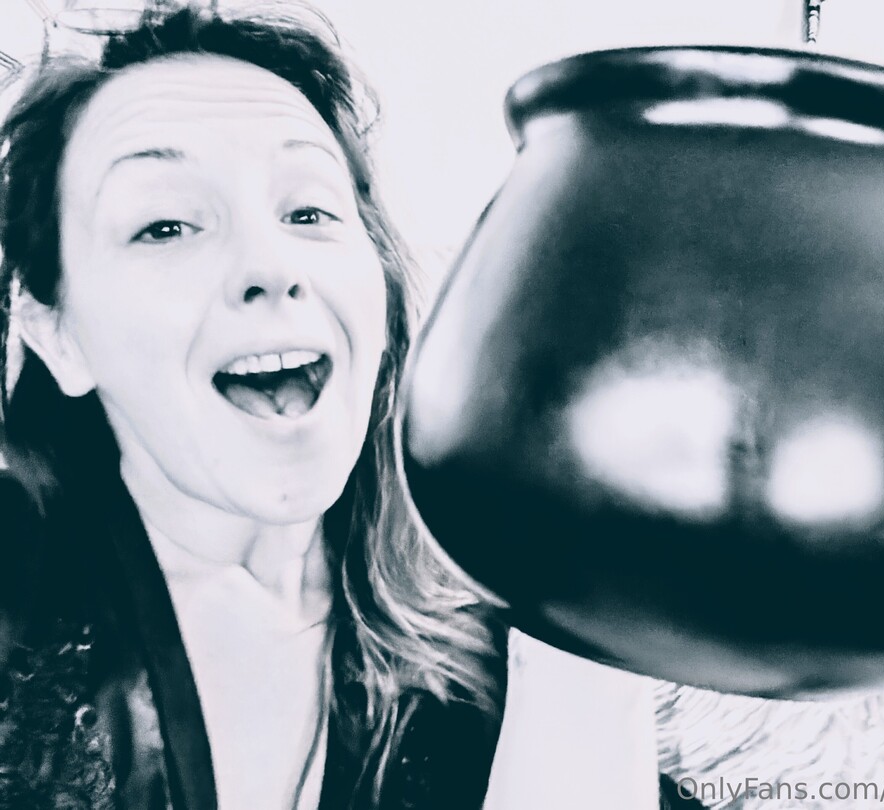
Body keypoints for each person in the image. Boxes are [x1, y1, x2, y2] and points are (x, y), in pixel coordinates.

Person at [0, 3, 703, 808]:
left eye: (309, 212)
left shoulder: (487, 675)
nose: (271, 265)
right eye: (165, 226)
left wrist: (586, 631)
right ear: (57, 335)